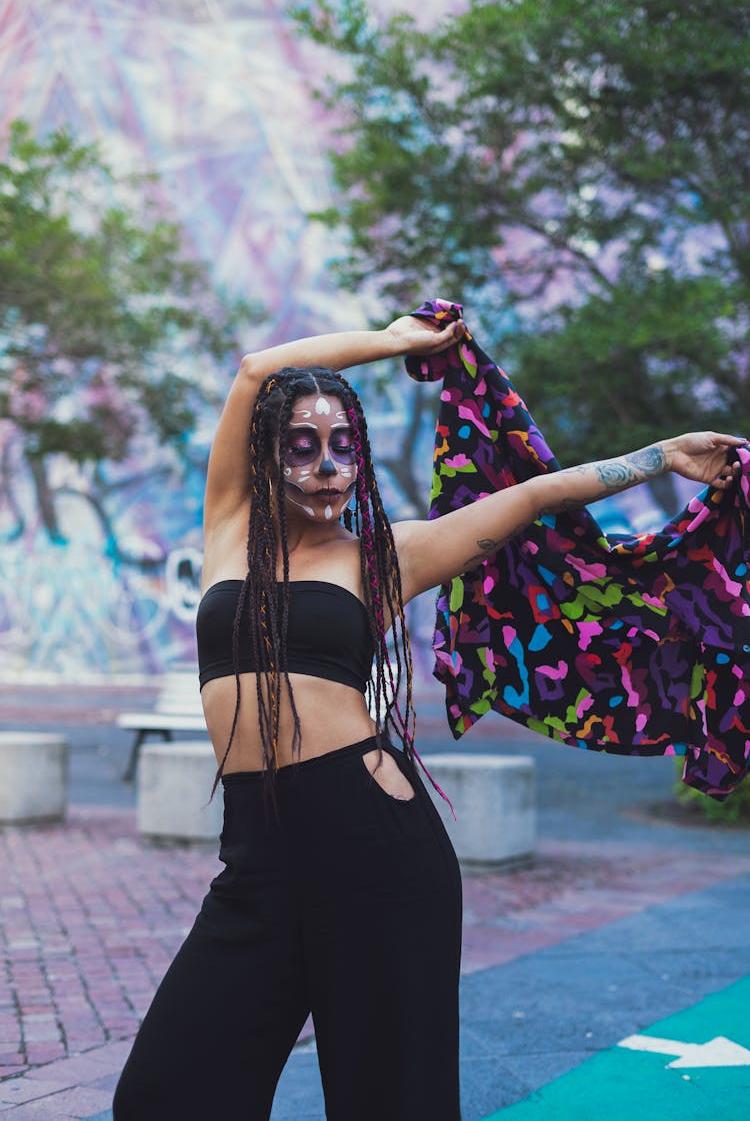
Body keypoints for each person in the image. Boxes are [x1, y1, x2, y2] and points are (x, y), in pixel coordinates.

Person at [112, 311, 743, 1121]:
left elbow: (536, 496)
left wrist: (663, 456)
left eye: (345, 446)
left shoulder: (384, 555)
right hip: (260, 861)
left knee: (388, 1100)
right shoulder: (229, 530)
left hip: (376, 849)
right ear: (266, 453)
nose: (327, 465)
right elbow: (252, 371)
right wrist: (397, 342)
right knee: (168, 1092)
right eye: (302, 445)